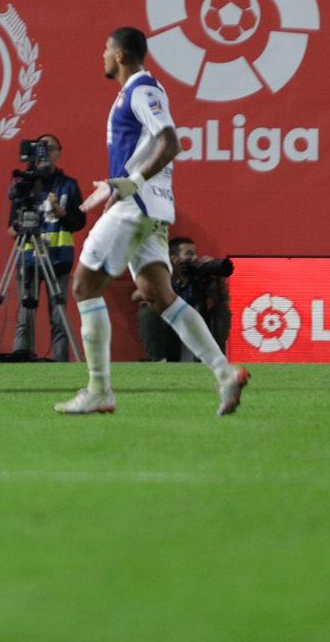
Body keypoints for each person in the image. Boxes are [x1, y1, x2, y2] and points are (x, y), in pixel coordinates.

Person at [59, 27, 249, 417]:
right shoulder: (134, 93)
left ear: (122, 56)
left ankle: (99, 389)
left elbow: (170, 140)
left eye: (106, 50)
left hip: (138, 207)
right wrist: (113, 188)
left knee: (83, 286)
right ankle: (224, 372)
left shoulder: (141, 91)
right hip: (146, 207)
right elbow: (142, 153)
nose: (102, 57)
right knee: (160, 297)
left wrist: (133, 184)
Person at [8, 134, 85, 362]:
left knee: (58, 318)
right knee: (25, 317)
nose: (45, 153)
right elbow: (11, 229)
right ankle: (22, 365)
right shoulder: (24, 186)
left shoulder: (68, 185)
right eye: (41, 148)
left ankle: (61, 368)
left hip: (59, 260)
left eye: (50, 148)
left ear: (59, 151)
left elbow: (79, 222)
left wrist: (61, 213)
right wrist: (23, 222)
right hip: (28, 260)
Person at [137, 236, 235, 363]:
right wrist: (173, 280)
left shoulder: (200, 278)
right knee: (148, 311)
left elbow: (223, 302)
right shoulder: (164, 275)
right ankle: (158, 361)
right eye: (189, 254)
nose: (194, 258)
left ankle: (215, 358)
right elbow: (137, 295)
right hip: (171, 333)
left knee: (221, 311)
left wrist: (217, 277)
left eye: (195, 253)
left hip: (199, 331)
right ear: (174, 259)